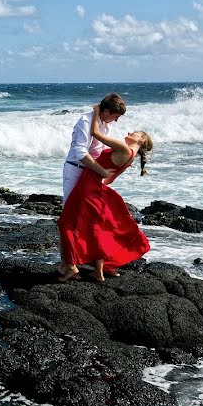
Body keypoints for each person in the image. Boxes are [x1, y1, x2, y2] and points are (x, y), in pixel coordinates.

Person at [57, 104, 153, 282]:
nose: (132, 131)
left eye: (136, 133)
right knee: (97, 228)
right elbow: (110, 178)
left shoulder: (124, 149)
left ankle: (71, 266)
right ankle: (99, 269)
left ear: (140, 141)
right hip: (93, 186)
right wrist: (100, 177)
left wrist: (95, 112)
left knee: (67, 223)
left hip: (87, 186)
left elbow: (95, 134)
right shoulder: (130, 156)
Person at [59, 93, 125, 277]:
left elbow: (101, 151)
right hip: (75, 170)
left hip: (91, 174)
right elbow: (80, 152)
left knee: (94, 218)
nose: (116, 121)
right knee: (69, 218)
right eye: (115, 116)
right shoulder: (85, 121)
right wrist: (102, 172)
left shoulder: (104, 124)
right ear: (105, 111)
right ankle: (65, 265)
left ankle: (97, 264)